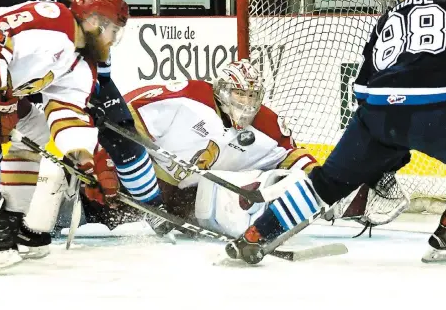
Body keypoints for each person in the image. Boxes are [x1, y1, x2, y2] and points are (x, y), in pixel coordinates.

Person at [225, 0, 446, 264]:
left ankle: (257, 234)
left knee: (327, 183)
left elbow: (362, 90)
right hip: (437, 113)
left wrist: (381, 151)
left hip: (377, 117)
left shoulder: (387, 19)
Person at [0, 0, 162, 234]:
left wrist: (87, 153)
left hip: (30, 77)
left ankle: (152, 207)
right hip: (3, 67)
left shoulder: (93, 20)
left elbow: (84, 86)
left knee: (117, 128)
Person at [79, 59, 322, 237]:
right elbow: (124, 119)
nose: (247, 104)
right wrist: (106, 158)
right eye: (240, 94)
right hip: (145, 183)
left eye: (252, 96)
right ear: (223, 91)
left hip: (187, 200)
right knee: (98, 203)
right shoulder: (188, 97)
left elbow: (290, 155)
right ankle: (74, 205)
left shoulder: (267, 123)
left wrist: (321, 178)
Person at [0, 0, 127, 263]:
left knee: (39, 135)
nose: (113, 41)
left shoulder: (80, 63)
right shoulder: (52, 19)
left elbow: (67, 113)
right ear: (94, 22)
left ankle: (12, 220)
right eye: (114, 30)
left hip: (3, 98)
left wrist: (87, 159)